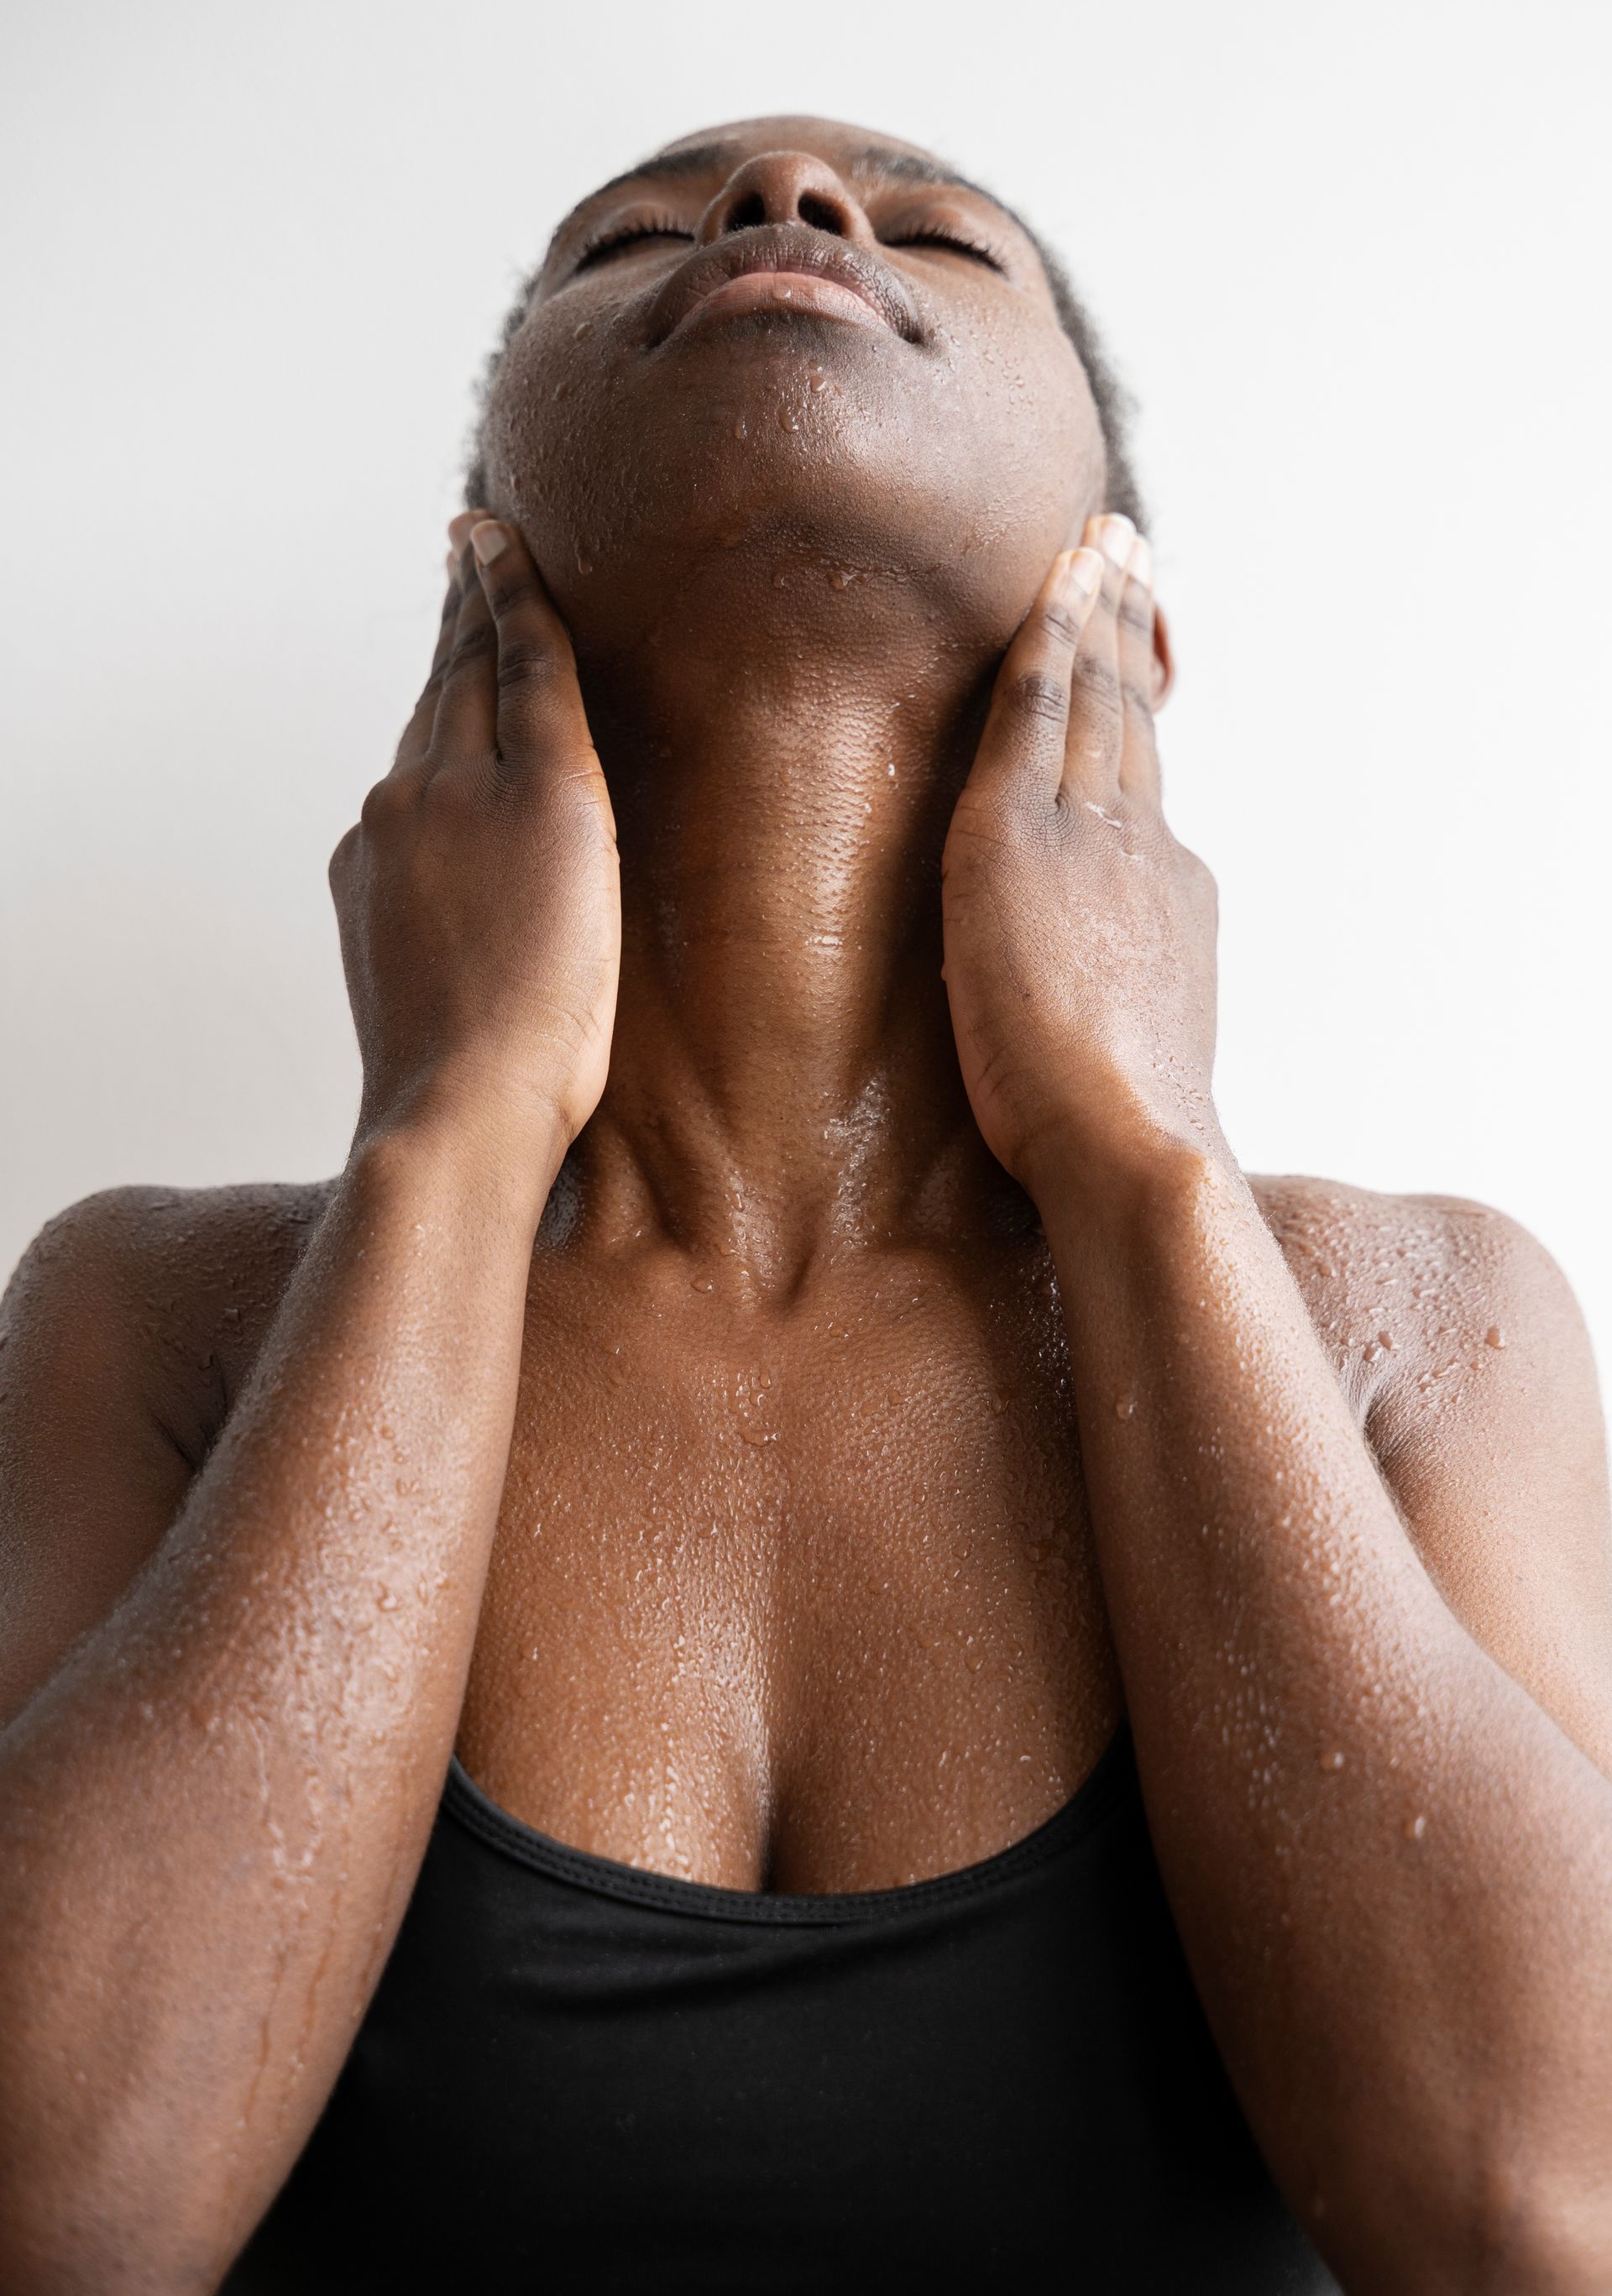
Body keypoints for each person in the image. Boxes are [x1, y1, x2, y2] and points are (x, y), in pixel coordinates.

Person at [0, 113, 1609, 2295]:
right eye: (640, 239)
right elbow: (58, 2212)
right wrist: (450, 1134)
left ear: (1122, 617)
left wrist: (1144, 1147)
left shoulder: (1425, 1323)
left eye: (938, 233)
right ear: (478, 589)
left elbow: (1538, 2217)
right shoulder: (154, 1321)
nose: (794, 213)